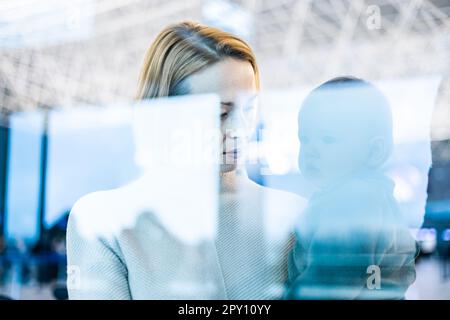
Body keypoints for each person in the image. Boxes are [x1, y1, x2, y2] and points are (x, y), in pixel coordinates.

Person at [67, 21, 306, 299]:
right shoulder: (106, 222)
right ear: (168, 116)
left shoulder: (292, 216)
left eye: (249, 110)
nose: (240, 130)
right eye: (221, 113)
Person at [285, 77, 418, 299]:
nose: (311, 150)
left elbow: (327, 285)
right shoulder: (372, 197)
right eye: (304, 139)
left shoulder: (353, 201)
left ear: (374, 151)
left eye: (327, 139)